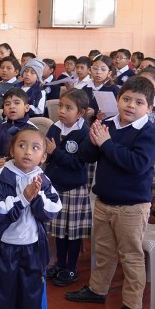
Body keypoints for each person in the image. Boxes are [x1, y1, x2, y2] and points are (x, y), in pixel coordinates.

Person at [65, 77, 155, 309]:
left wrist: (106, 143)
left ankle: (133, 305)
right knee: (104, 252)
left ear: (149, 108)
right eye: (126, 99)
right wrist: (92, 138)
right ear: (117, 100)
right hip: (104, 201)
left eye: (139, 102)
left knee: (131, 256)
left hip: (132, 207)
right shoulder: (108, 125)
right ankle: (97, 290)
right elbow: (88, 156)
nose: (131, 105)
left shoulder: (149, 133)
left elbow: (137, 164)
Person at [0, 128, 61, 309]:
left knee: (30, 294)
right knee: (3, 297)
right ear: (11, 150)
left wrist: (37, 198)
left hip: (33, 248)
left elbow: (53, 208)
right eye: (22, 146)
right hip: (5, 248)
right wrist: (24, 199)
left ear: (43, 156)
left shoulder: (42, 179)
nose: (28, 152)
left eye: (35, 148)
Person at [44, 90, 91, 287]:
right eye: (61, 106)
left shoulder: (84, 133)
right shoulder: (55, 128)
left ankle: (71, 268)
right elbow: (48, 155)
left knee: (72, 233)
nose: (62, 111)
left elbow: (77, 164)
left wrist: (55, 152)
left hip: (74, 189)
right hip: (56, 187)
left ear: (80, 113)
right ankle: (60, 264)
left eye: (68, 108)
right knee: (59, 231)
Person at [0, 88, 37, 167]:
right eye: (7, 104)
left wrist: (12, 162)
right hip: (1, 169)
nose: (11, 106)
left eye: (17, 103)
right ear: (4, 110)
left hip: (24, 170)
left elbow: (35, 155)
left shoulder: (33, 130)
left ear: (26, 108)